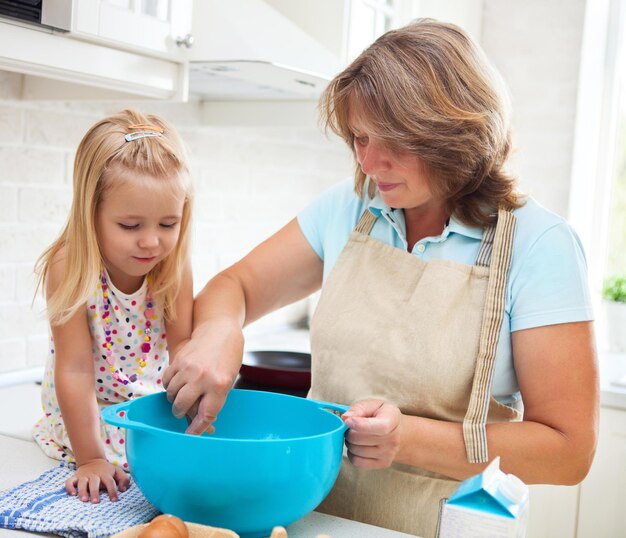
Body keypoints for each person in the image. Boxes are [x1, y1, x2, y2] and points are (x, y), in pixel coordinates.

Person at [163, 19, 599, 537]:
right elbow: (234, 287)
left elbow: (569, 451)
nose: (370, 163)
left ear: (455, 133)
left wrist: (405, 439)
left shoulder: (539, 245)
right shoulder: (350, 211)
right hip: (316, 519)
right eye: (360, 137)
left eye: (392, 140)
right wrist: (219, 332)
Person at [32, 109, 194, 504]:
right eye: (130, 226)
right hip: (88, 416)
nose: (152, 243)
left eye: (168, 224)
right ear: (92, 214)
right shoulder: (69, 264)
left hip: (145, 411)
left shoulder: (173, 266)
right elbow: (73, 368)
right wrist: (90, 460)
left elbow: (184, 352)